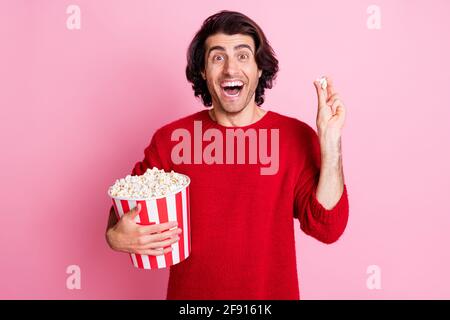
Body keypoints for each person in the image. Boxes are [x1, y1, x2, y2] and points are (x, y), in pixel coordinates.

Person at [105, 10, 349, 300]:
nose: (231, 69)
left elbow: (327, 228)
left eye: (243, 56)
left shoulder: (294, 137)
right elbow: (126, 211)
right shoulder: (170, 141)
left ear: (260, 69)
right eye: (218, 57)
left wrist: (330, 141)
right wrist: (113, 236)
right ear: (202, 72)